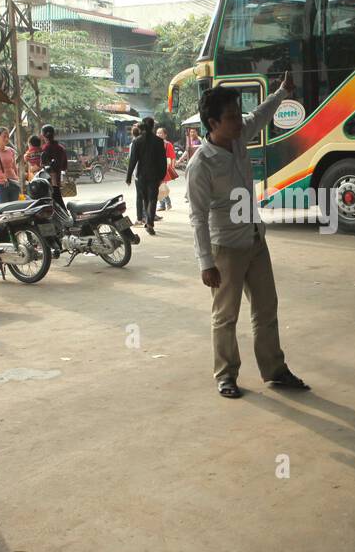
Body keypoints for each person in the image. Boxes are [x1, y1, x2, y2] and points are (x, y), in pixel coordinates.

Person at [187, 72, 307, 399]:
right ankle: (226, 375)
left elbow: (261, 115)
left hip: (255, 240)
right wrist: (205, 263)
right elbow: (197, 217)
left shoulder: (240, 138)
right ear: (212, 123)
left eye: (238, 115)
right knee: (226, 317)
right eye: (230, 118)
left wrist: (282, 92)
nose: (239, 122)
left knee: (267, 309)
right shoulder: (201, 165)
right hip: (225, 248)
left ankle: (275, 370)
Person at [126, 117, 167, 235]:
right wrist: (162, 176)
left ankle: (148, 221)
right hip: (155, 176)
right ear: (153, 126)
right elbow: (162, 161)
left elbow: (133, 160)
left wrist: (128, 177)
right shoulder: (159, 141)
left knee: (145, 199)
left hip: (142, 176)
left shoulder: (137, 141)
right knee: (153, 199)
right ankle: (150, 223)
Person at [156, 126, 177, 212]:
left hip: (165, 168)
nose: (158, 134)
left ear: (165, 135)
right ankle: (165, 204)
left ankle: (164, 204)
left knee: (160, 186)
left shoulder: (168, 144)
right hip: (155, 168)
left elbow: (171, 157)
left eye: (160, 133)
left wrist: (171, 168)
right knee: (159, 186)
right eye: (157, 133)